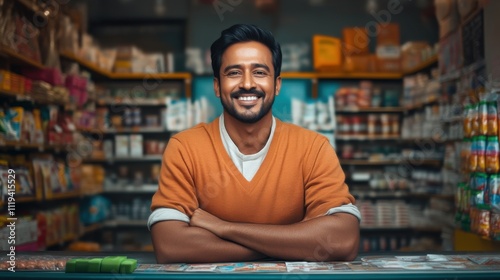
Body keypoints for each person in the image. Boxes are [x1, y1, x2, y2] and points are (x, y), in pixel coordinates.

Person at [148, 24, 361, 263]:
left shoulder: (313, 148)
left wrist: (224, 228)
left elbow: (342, 239)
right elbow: (170, 245)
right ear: (217, 86)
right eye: (234, 73)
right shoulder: (185, 148)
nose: (247, 84)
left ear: (277, 84)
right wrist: (288, 246)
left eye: (259, 72)